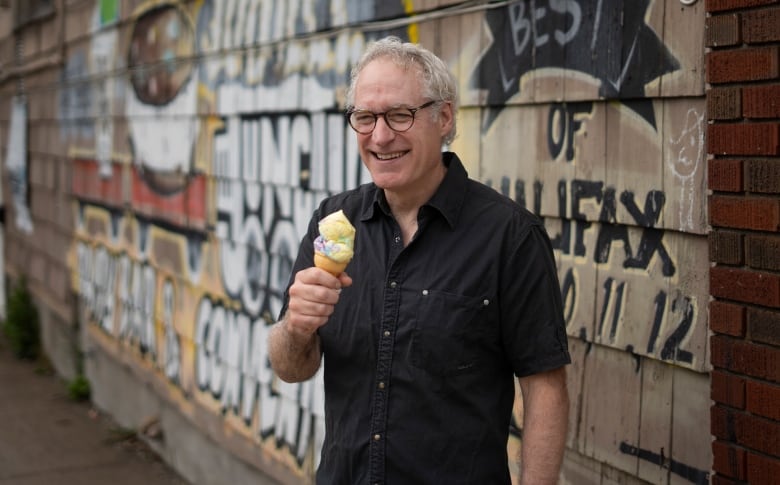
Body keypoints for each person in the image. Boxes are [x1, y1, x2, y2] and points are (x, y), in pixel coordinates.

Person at [268, 36, 570, 485]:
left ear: (443, 117)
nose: (381, 136)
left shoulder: (509, 236)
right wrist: (296, 326)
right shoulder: (333, 222)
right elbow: (291, 368)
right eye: (365, 118)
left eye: (400, 115)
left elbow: (545, 388)